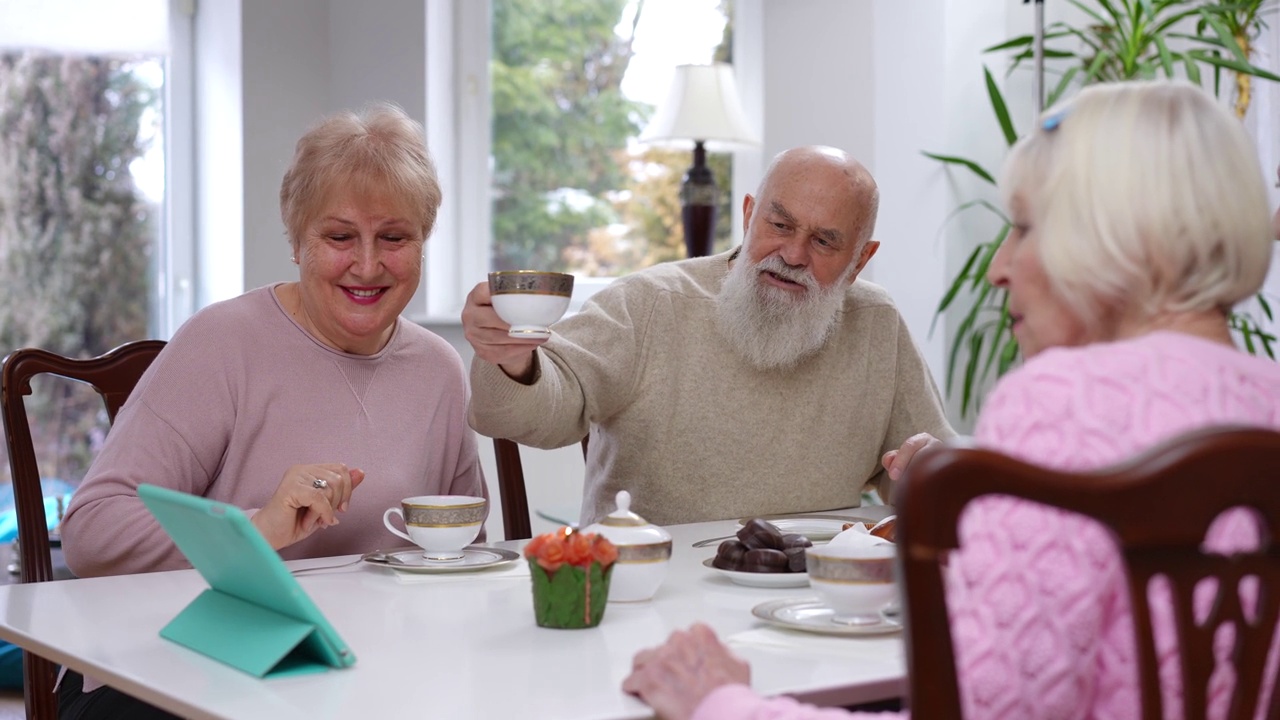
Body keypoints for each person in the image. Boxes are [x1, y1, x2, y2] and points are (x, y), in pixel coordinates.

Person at [623, 81, 1280, 720]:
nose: (998, 267)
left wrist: (724, 704)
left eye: (1024, 227)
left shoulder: (1058, 405)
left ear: (1115, 238)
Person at [56, 103, 486, 719]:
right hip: (175, 670)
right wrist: (257, 530)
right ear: (295, 240)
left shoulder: (440, 369)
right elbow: (92, 530)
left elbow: (465, 554)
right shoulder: (222, 343)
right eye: (339, 237)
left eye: (395, 237)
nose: (368, 265)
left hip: (357, 678)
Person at [464, 145, 954, 526]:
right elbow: (535, 413)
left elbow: (930, 472)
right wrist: (509, 358)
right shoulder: (654, 302)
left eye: (825, 241)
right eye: (779, 224)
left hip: (814, 601)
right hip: (650, 593)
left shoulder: (876, 322)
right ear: (748, 215)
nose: (793, 253)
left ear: (859, 261)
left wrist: (930, 469)